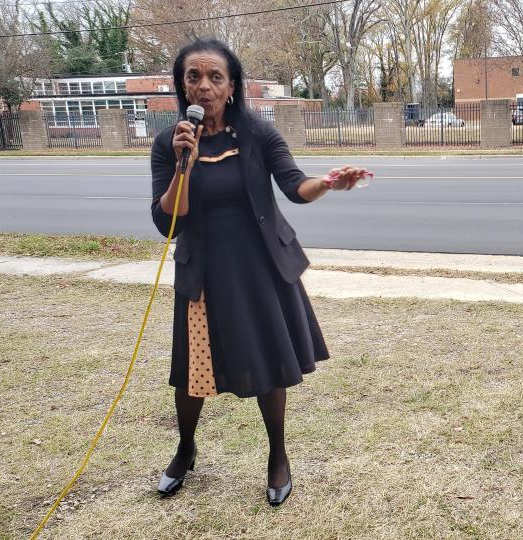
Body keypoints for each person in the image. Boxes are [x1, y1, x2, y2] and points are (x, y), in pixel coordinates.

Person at [149, 37, 367, 507]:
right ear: (181, 85)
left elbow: (294, 185)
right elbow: (170, 221)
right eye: (193, 77)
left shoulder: (257, 135)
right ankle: (186, 449)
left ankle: (277, 456)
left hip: (259, 268)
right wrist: (182, 165)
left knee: (269, 363)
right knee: (193, 372)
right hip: (202, 271)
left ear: (232, 87)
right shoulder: (169, 143)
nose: (203, 86)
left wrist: (328, 182)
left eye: (215, 77)